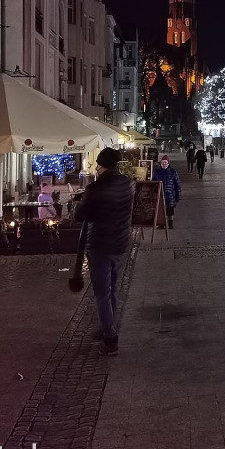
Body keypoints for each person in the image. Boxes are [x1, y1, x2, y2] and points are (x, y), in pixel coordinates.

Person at [75, 147, 135, 356]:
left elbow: (81, 214)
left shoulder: (96, 188)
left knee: (102, 293)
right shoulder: (129, 184)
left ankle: (110, 337)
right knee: (113, 289)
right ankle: (108, 326)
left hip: (100, 245)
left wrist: (80, 203)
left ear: (101, 166)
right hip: (120, 243)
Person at [153, 155, 182, 229]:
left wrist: (177, 196)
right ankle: (161, 224)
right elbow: (153, 183)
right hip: (160, 194)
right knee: (161, 210)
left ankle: (170, 223)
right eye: (162, 163)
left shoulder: (173, 172)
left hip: (170, 195)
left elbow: (177, 185)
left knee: (170, 210)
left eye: (165, 163)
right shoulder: (156, 172)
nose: (164, 164)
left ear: (168, 163)